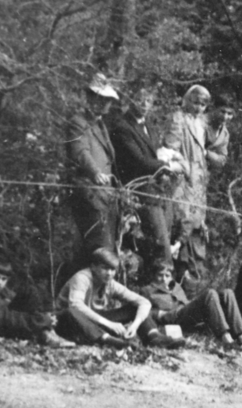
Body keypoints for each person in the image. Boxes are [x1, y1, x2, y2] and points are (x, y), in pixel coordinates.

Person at [108, 87, 173, 271]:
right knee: (160, 241)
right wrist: (165, 165)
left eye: (148, 101)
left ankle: (157, 278)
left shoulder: (149, 127)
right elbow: (139, 161)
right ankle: (161, 282)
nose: (144, 104)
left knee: (165, 235)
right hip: (138, 192)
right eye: (140, 99)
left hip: (156, 189)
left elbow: (153, 155)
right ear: (130, 99)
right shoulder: (122, 127)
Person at [63, 74, 120, 261]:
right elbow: (80, 152)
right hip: (89, 192)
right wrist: (94, 172)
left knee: (109, 248)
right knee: (98, 248)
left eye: (108, 100)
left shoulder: (101, 125)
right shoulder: (78, 122)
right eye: (101, 99)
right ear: (90, 97)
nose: (105, 104)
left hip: (106, 195)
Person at [162, 85, 213, 281]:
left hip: (198, 182)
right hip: (182, 180)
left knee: (197, 226)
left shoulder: (201, 122)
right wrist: (183, 168)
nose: (198, 107)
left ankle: (192, 278)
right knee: (182, 222)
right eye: (195, 102)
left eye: (202, 104)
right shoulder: (178, 118)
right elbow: (170, 150)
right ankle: (175, 275)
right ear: (186, 100)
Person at [55, 248, 157, 346]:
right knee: (71, 311)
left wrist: (135, 325)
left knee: (134, 308)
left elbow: (144, 302)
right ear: (93, 267)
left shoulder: (110, 283)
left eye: (112, 269)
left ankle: (154, 336)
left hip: (92, 322)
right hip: (68, 323)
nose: (109, 273)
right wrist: (109, 324)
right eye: (104, 268)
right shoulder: (82, 278)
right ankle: (107, 339)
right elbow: (75, 305)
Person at [140, 258, 242, 345]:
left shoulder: (175, 286)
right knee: (209, 293)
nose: (164, 279)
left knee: (227, 293)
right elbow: (140, 310)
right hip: (173, 318)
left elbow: (185, 302)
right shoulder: (147, 290)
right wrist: (158, 314)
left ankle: (241, 335)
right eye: (160, 275)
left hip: (186, 313)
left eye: (167, 275)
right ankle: (225, 336)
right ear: (153, 275)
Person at [0, 259, 72, 347]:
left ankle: (48, 331)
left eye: (3, 279)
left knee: (29, 292)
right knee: (36, 312)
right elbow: (2, 318)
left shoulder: (2, 290)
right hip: (0, 327)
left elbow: (19, 304)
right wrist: (38, 320)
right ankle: (45, 334)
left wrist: (44, 316)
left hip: (10, 321)